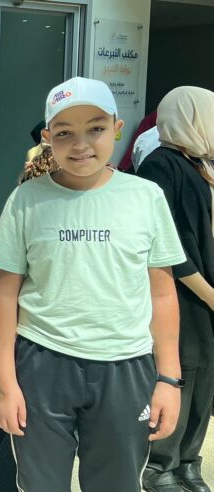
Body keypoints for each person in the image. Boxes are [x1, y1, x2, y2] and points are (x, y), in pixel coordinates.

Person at [0, 77, 187, 491]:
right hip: (41, 363)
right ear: (47, 139)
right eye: (64, 133)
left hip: (126, 366)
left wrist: (169, 378)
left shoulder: (146, 196)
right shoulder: (27, 199)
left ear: (117, 128)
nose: (80, 144)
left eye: (95, 128)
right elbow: (3, 294)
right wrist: (4, 382)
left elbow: (163, 292)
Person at [137, 86, 214, 492]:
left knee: (205, 375)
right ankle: (158, 464)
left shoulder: (200, 163)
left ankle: (188, 461)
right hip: (181, 290)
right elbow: (167, 243)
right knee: (180, 370)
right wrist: (207, 293)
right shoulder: (160, 166)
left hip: (205, 290)